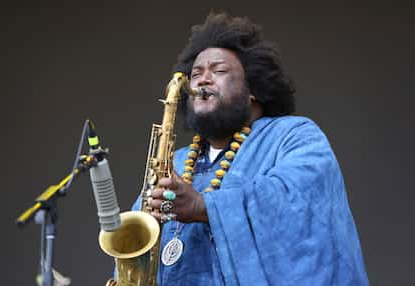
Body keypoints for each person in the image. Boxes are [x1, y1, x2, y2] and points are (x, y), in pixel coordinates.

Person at [133, 13, 369, 285]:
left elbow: (295, 202)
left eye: (218, 71)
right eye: (196, 73)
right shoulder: (177, 160)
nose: (202, 80)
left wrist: (203, 206)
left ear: (252, 90)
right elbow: (136, 240)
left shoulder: (294, 135)